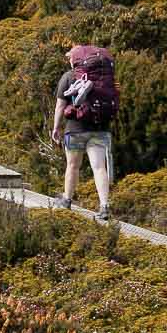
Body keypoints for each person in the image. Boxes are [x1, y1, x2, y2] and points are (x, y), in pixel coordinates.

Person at [50, 43, 117, 222]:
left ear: (75, 59)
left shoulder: (69, 76)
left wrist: (56, 127)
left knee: (72, 165)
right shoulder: (103, 79)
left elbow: (60, 106)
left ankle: (67, 200)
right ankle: (104, 206)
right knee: (99, 167)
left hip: (75, 130)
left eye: (70, 57)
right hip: (99, 129)